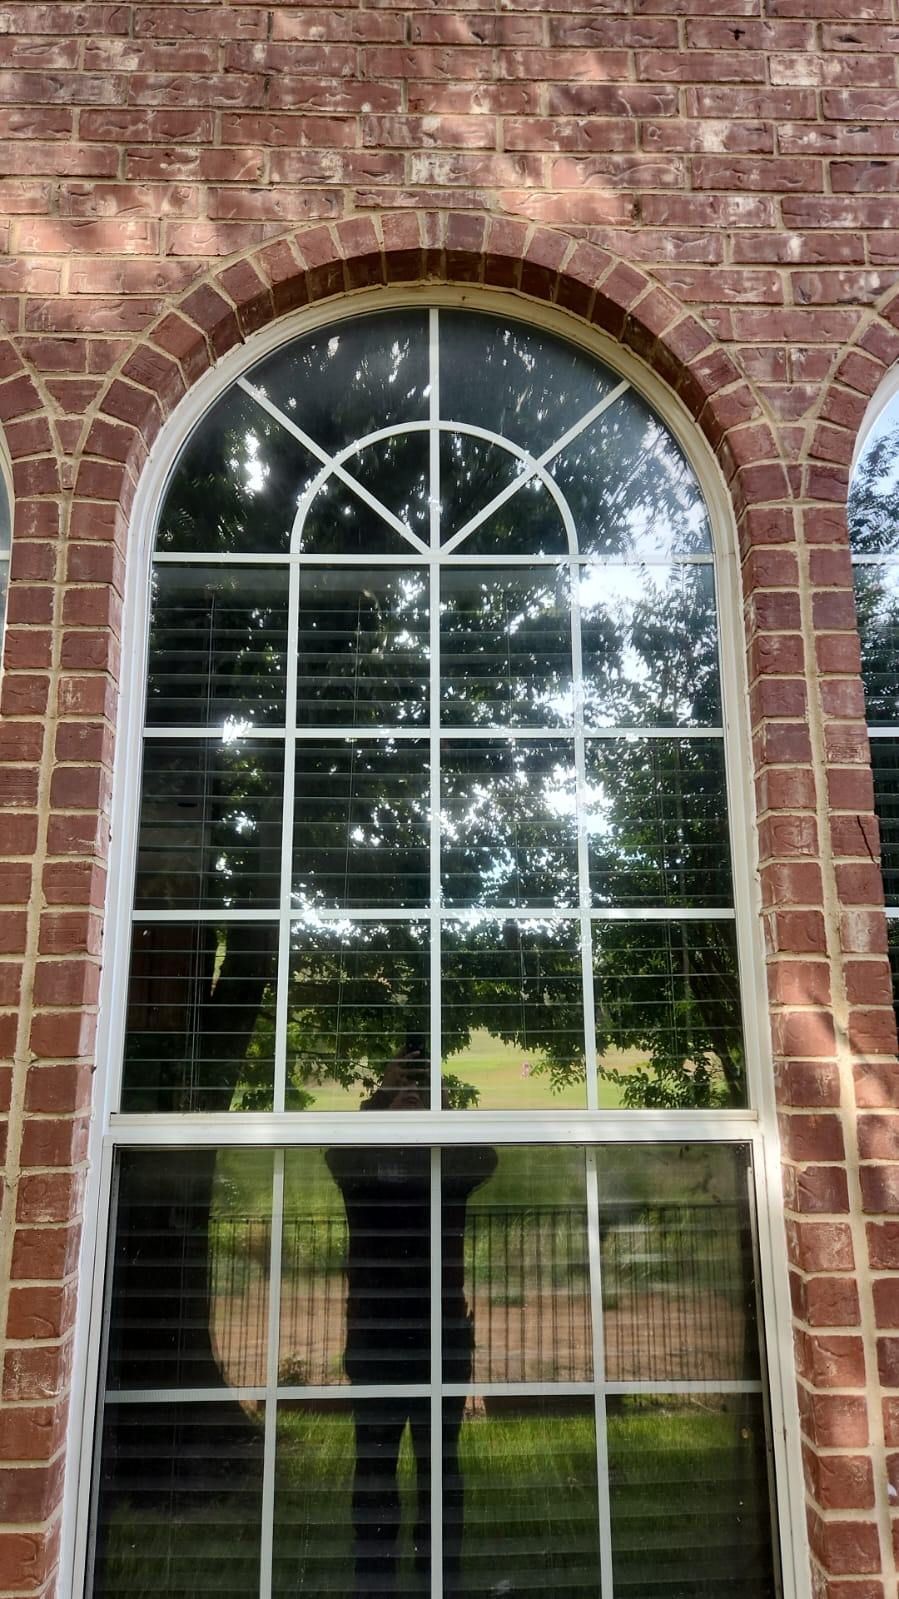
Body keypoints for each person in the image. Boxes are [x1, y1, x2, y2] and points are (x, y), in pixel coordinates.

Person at [326, 1051, 497, 1599]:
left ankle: (437, 1583)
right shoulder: (365, 1167)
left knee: (439, 1467)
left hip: (439, 1338)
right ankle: (374, 1584)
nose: (411, 1090)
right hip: (376, 1336)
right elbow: (336, 1156)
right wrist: (382, 1100)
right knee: (374, 1463)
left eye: (420, 1083)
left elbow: (486, 1158)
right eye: (406, 1080)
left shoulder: (447, 1167)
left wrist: (437, 1107)